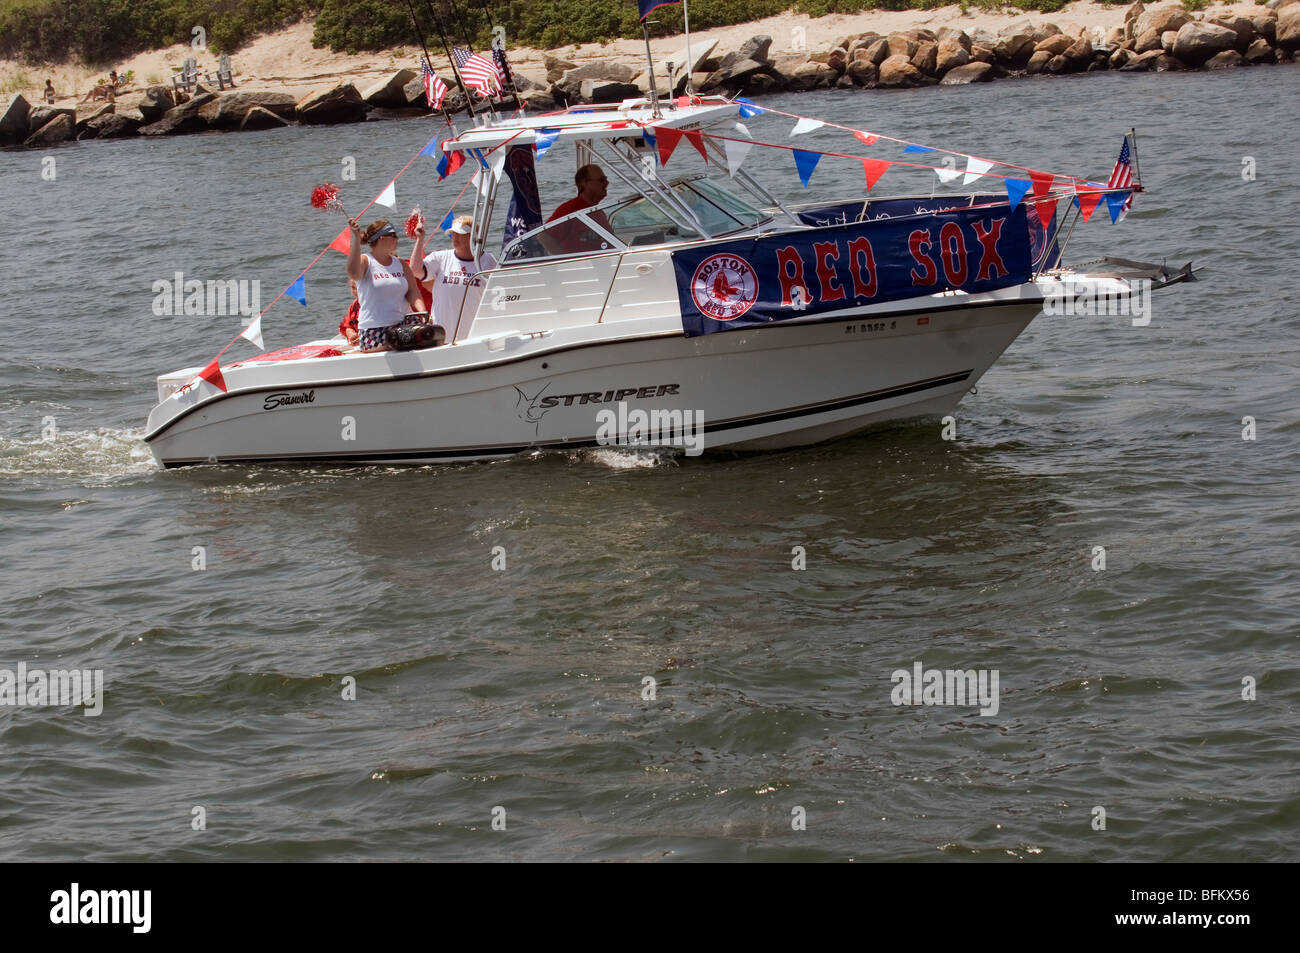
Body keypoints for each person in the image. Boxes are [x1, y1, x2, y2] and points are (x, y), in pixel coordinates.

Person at [409, 215, 497, 343]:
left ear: (472, 236)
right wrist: (420, 239)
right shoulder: (441, 258)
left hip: (474, 337)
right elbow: (415, 270)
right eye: (453, 234)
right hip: (441, 336)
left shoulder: (489, 261)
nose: (454, 238)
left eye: (460, 234)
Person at [346, 219, 430, 352]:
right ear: (382, 238)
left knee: (433, 335)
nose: (397, 239)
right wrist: (356, 239)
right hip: (374, 328)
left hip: (403, 323)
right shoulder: (365, 261)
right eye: (394, 236)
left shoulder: (401, 264)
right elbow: (353, 273)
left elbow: (413, 292)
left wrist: (423, 313)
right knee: (401, 344)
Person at [545, 164, 615, 252]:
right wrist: (567, 261)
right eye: (601, 180)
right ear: (584, 183)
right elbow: (544, 236)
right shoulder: (570, 209)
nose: (607, 183)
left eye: (606, 179)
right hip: (586, 264)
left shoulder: (597, 211)